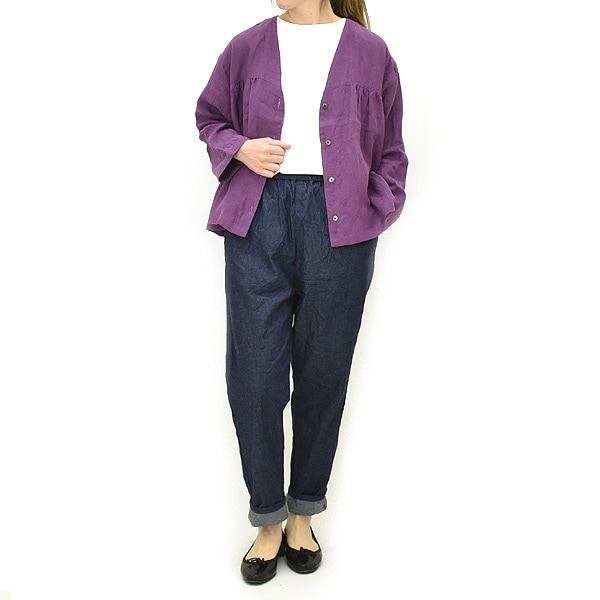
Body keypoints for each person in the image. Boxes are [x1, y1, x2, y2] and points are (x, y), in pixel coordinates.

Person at [195, 0, 408, 584]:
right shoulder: (246, 46)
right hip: (258, 217)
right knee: (255, 378)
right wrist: (241, 148)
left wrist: (377, 205)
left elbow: (391, 148)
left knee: (323, 375)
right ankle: (267, 518)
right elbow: (210, 117)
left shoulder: (370, 52)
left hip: (341, 227)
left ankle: (302, 516)